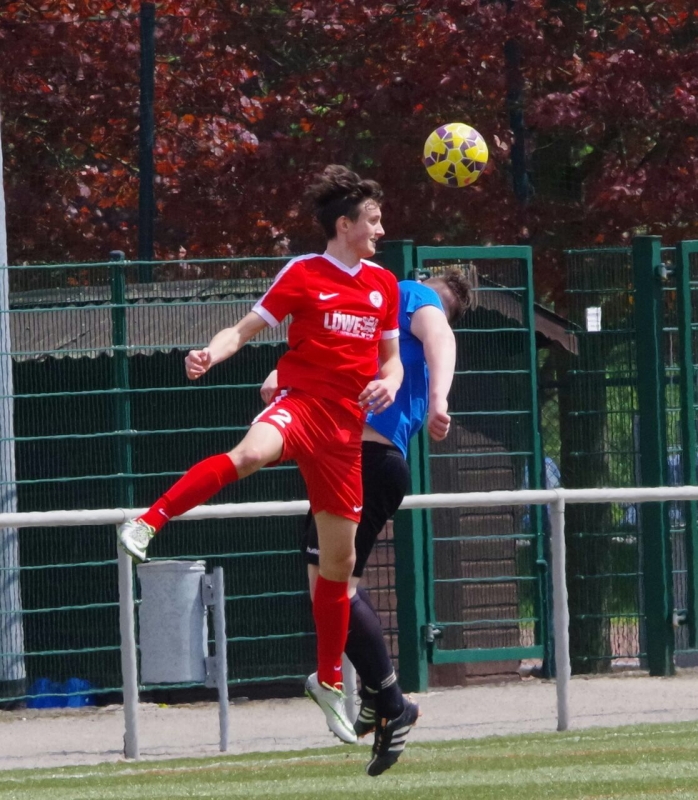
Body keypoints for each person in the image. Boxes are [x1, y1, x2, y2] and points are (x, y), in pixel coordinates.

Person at [117, 164, 403, 748]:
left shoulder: (384, 284)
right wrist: (209, 354)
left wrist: (390, 382)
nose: (380, 229)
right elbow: (243, 329)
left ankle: (328, 681)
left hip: (344, 435)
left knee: (339, 567)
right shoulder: (304, 272)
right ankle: (149, 521)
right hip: (302, 406)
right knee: (248, 453)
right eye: (372, 220)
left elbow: (392, 360)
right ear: (344, 225)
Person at [261, 265, 478, 776]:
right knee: (332, 589)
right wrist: (284, 381)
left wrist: (441, 400)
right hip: (345, 459)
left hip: (367, 460)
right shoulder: (375, 324)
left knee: (332, 587)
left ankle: (390, 701)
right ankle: (383, 699)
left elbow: (441, 336)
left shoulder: (408, 294)